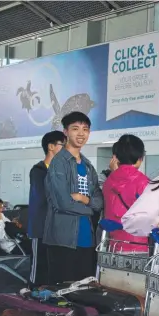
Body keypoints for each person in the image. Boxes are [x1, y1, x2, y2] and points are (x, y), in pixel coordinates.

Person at [44, 112, 103, 284]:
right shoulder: (59, 162)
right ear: (65, 132)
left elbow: (99, 201)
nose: (81, 134)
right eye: (75, 129)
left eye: (85, 129)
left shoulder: (87, 165)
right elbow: (62, 203)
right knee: (62, 291)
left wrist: (84, 200)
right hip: (63, 238)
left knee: (83, 290)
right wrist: (90, 209)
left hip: (86, 238)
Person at [28, 130, 66, 287]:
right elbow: (44, 196)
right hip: (41, 227)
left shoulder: (61, 171)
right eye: (63, 145)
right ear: (51, 146)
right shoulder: (38, 171)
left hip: (56, 227)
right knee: (39, 268)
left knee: (53, 267)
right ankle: (31, 293)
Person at [102, 134, 149, 253]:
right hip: (137, 245)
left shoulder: (108, 181)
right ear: (140, 157)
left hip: (113, 244)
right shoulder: (143, 182)